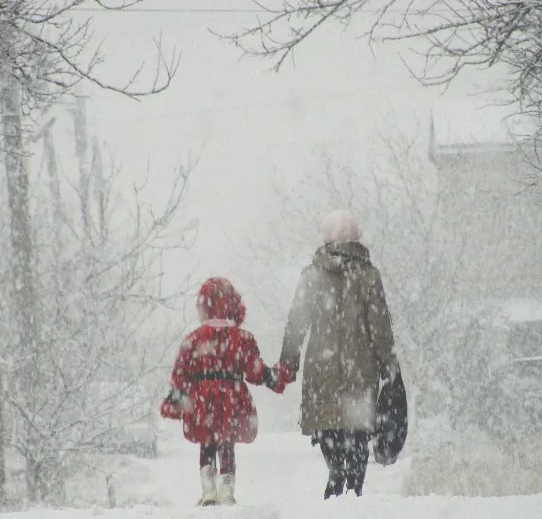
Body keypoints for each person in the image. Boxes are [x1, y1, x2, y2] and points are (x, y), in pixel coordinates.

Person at [278, 209, 399, 499]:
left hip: (322, 367)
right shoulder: (369, 275)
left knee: (327, 425)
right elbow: (380, 325)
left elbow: (296, 322)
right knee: (357, 430)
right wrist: (388, 362)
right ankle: (354, 486)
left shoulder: (312, 276)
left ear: (326, 237)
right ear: (356, 236)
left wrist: (289, 361)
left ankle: (335, 471)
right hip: (361, 368)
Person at [160, 277, 290, 506]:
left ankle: (208, 491)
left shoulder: (193, 340)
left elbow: (181, 374)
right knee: (226, 442)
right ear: (234, 305)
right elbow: (254, 371)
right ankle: (227, 491)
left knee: (207, 441)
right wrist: (275, 377)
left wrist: (176, 398)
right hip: (232, 397)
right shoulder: (242, 339)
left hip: (203, 400)